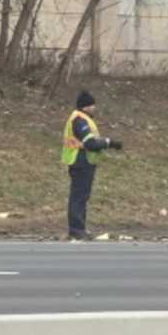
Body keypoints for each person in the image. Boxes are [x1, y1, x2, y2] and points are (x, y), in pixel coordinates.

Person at [61, 90, 123, 240]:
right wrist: (109, 143)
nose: (94, 108)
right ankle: (76, 230)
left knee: (81, 196)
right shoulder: (80, 120)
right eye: (92, 105)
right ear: (85, 107)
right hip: (81, 161)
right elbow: (90, 143)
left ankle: (79, 228)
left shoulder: (82, 118)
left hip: (83, 161)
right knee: (79, 197)